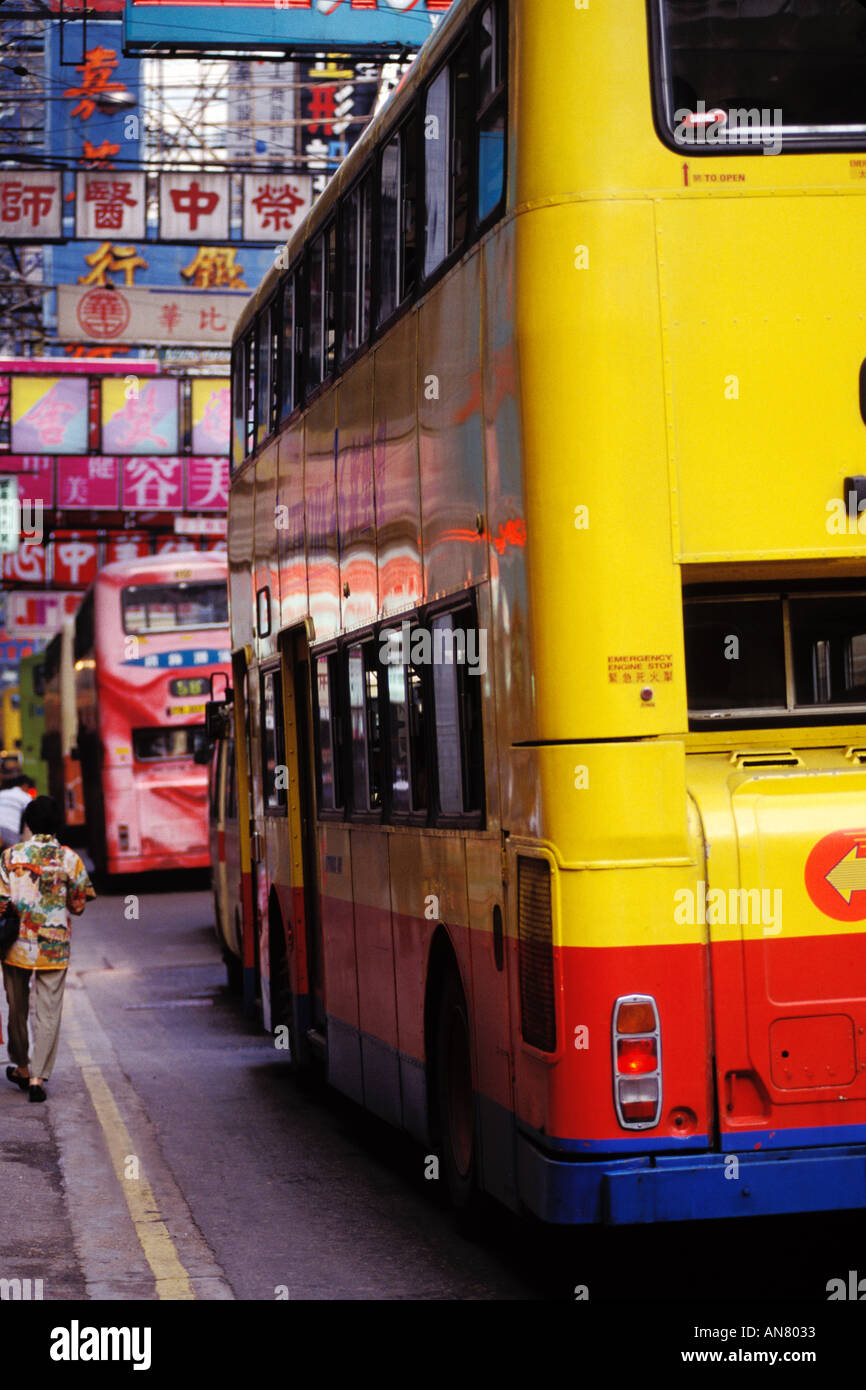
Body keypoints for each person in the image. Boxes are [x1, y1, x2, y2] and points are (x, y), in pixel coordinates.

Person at [1, 795, 95, 1102]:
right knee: (49, 1012)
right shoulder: (69, 858)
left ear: (27, 823)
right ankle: (38, 1078)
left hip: (14, 946)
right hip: (54, 949)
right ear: (58, 824)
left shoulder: (10, 857)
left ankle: (23, 1066)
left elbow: (1, 903)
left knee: (17, 1009)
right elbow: (79, 904)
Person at [0, 775, 35, 849]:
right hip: (12, 830)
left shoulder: (3, 793)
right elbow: (31, 816)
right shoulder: (26, 797)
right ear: (25, 786)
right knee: (12, 855)